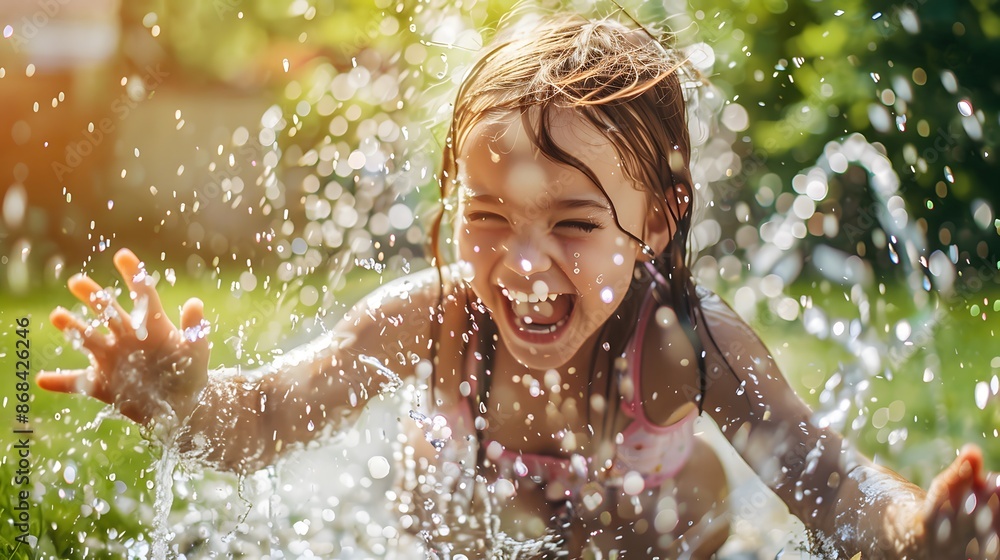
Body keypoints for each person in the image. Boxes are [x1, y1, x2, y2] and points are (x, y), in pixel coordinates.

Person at [39, 11, 999, 560]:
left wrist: (920, 531)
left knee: (681, 519)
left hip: (647, 522)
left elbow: (823, 477)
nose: (522, 262)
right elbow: (262, 424)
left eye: (576, 224)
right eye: (487, 215)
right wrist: (178, 400)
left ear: (657, 221)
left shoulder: (689, 346)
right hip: (473, 521)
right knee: (450, 518)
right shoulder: (433, 319)